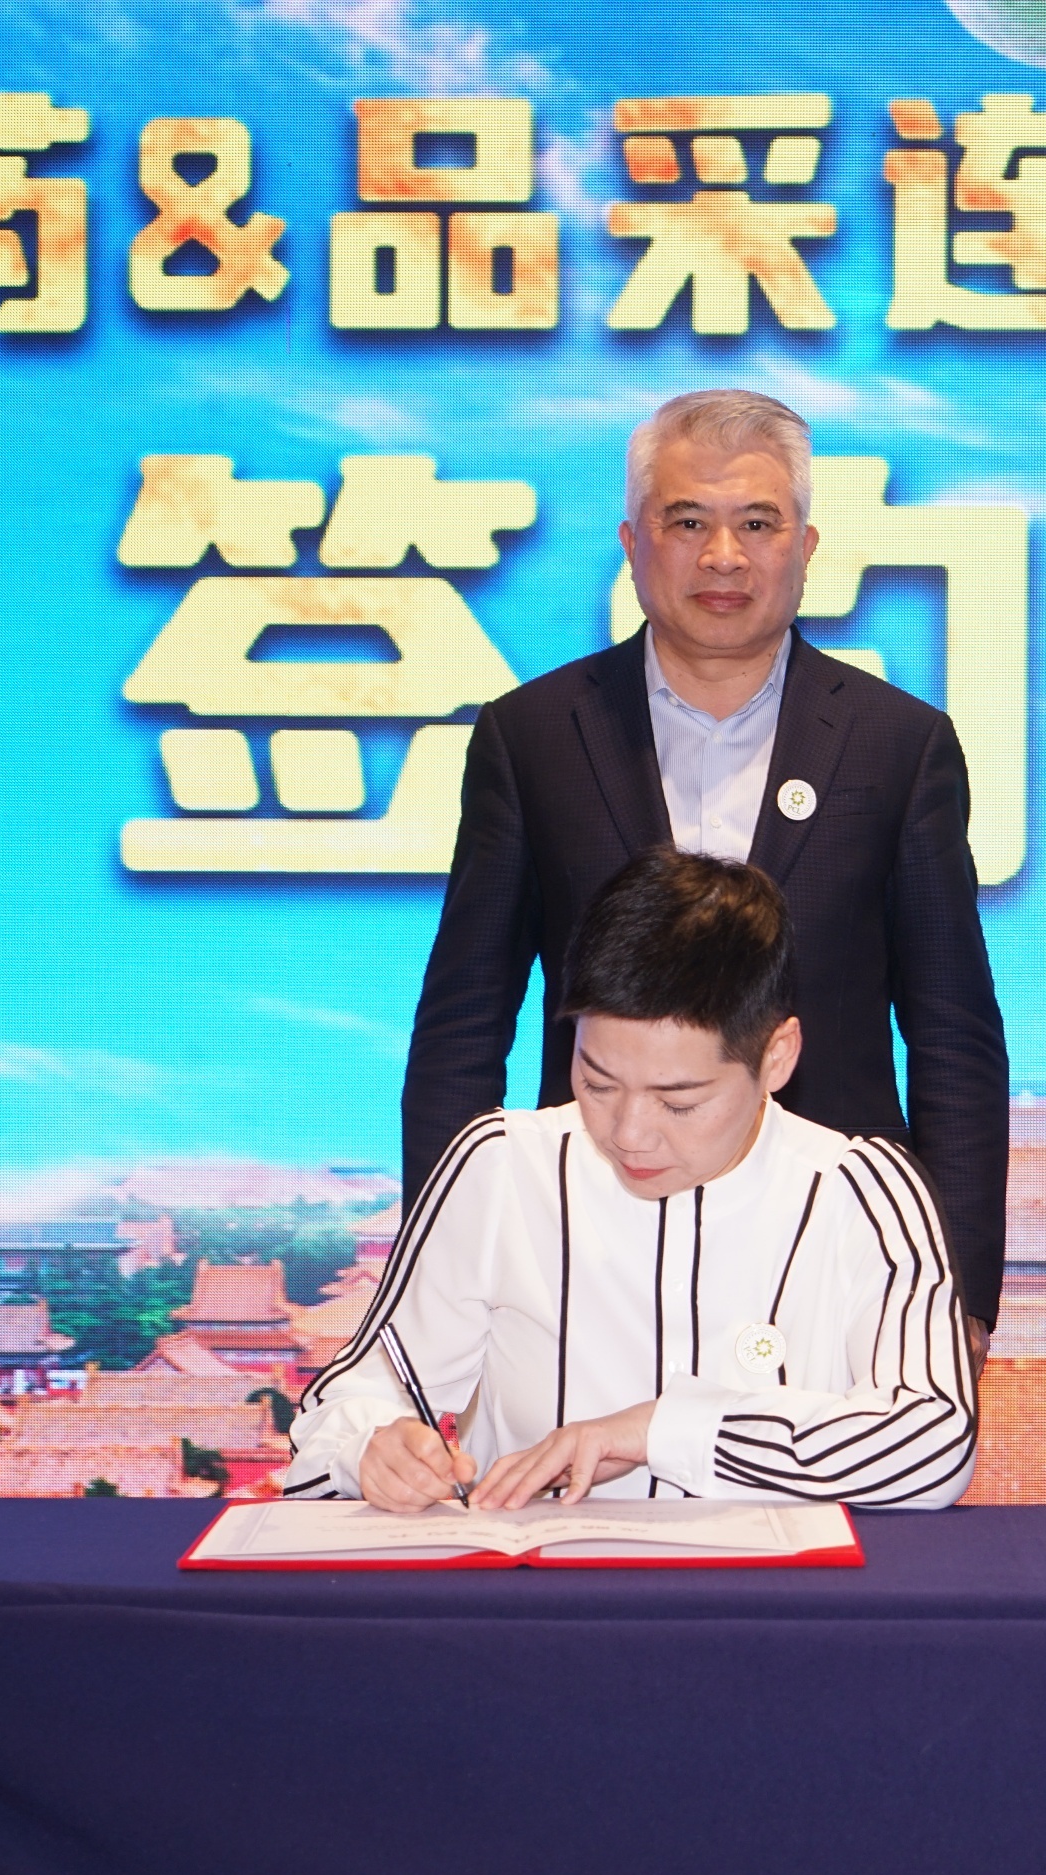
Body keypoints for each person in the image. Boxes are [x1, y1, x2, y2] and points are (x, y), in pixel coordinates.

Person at [401, 388, 1007, 1369]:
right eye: (687, 522)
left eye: (757, 524)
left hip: (835, 1248)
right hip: (588, 1242)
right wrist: (441, 1266)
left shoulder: (898, 744)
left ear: (805, 548)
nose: (723, 556)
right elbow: (463, 1025)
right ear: (633, 544)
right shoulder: (535, 736)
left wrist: (956, 1288)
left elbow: (953, 1034)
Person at [286, 850, 975, 1511]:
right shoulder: (501, 1166)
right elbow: (344, 1405)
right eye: (598, 1082)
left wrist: (657, 1431)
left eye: (679, 1102)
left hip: (775, 1591)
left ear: (777, 1056)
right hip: (540, 1585)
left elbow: (934, 1441)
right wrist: (370, 1450)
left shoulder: (862, 1190)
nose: (629, 1133)